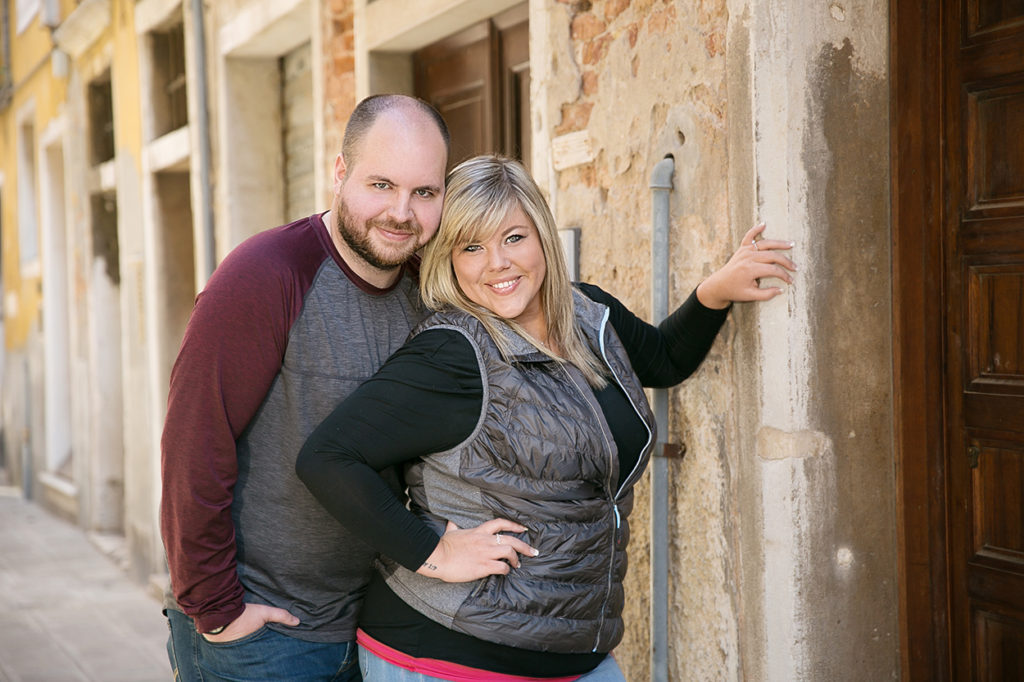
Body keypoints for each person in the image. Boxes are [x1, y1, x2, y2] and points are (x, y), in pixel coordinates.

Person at [296, 155, 797, 680]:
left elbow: (663, 359)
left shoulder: (588, 317)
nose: (497, 263)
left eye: (513, 237)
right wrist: (435, 553)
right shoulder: (454, 355)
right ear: (450, 259)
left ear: (541, 235)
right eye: (471, 247)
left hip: (576, 650)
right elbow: (328, 457)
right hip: (450, 654)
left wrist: (716, 290)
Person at [159, 94, 450, 681]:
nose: (401, 212)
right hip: (265, 639)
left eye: (424, 193)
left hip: (378, 631)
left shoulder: (432, 290)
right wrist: (216, 610)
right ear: (339, 173)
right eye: (381, 184)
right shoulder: (267, 275)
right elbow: (194, 442)